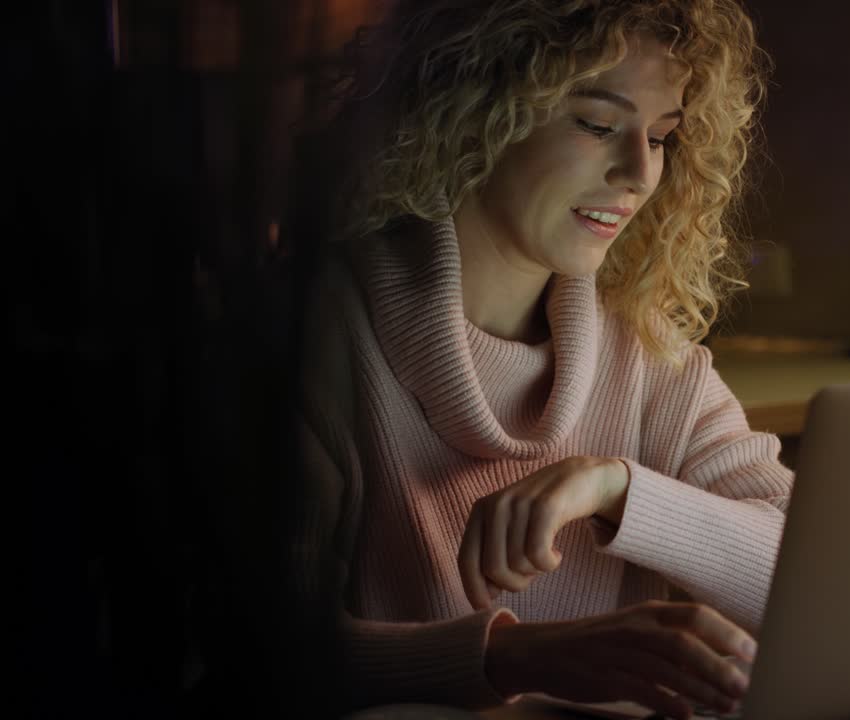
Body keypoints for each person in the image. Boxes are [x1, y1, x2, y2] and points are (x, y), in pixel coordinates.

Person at [293, 1, 794, 718]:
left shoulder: (650, 351)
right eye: (596, 124)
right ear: (471, 111)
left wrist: (618, 488)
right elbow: (252, 653)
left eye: (662, 136)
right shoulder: (320, 340)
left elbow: (812, 580)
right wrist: (511, 658)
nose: (639, 172)